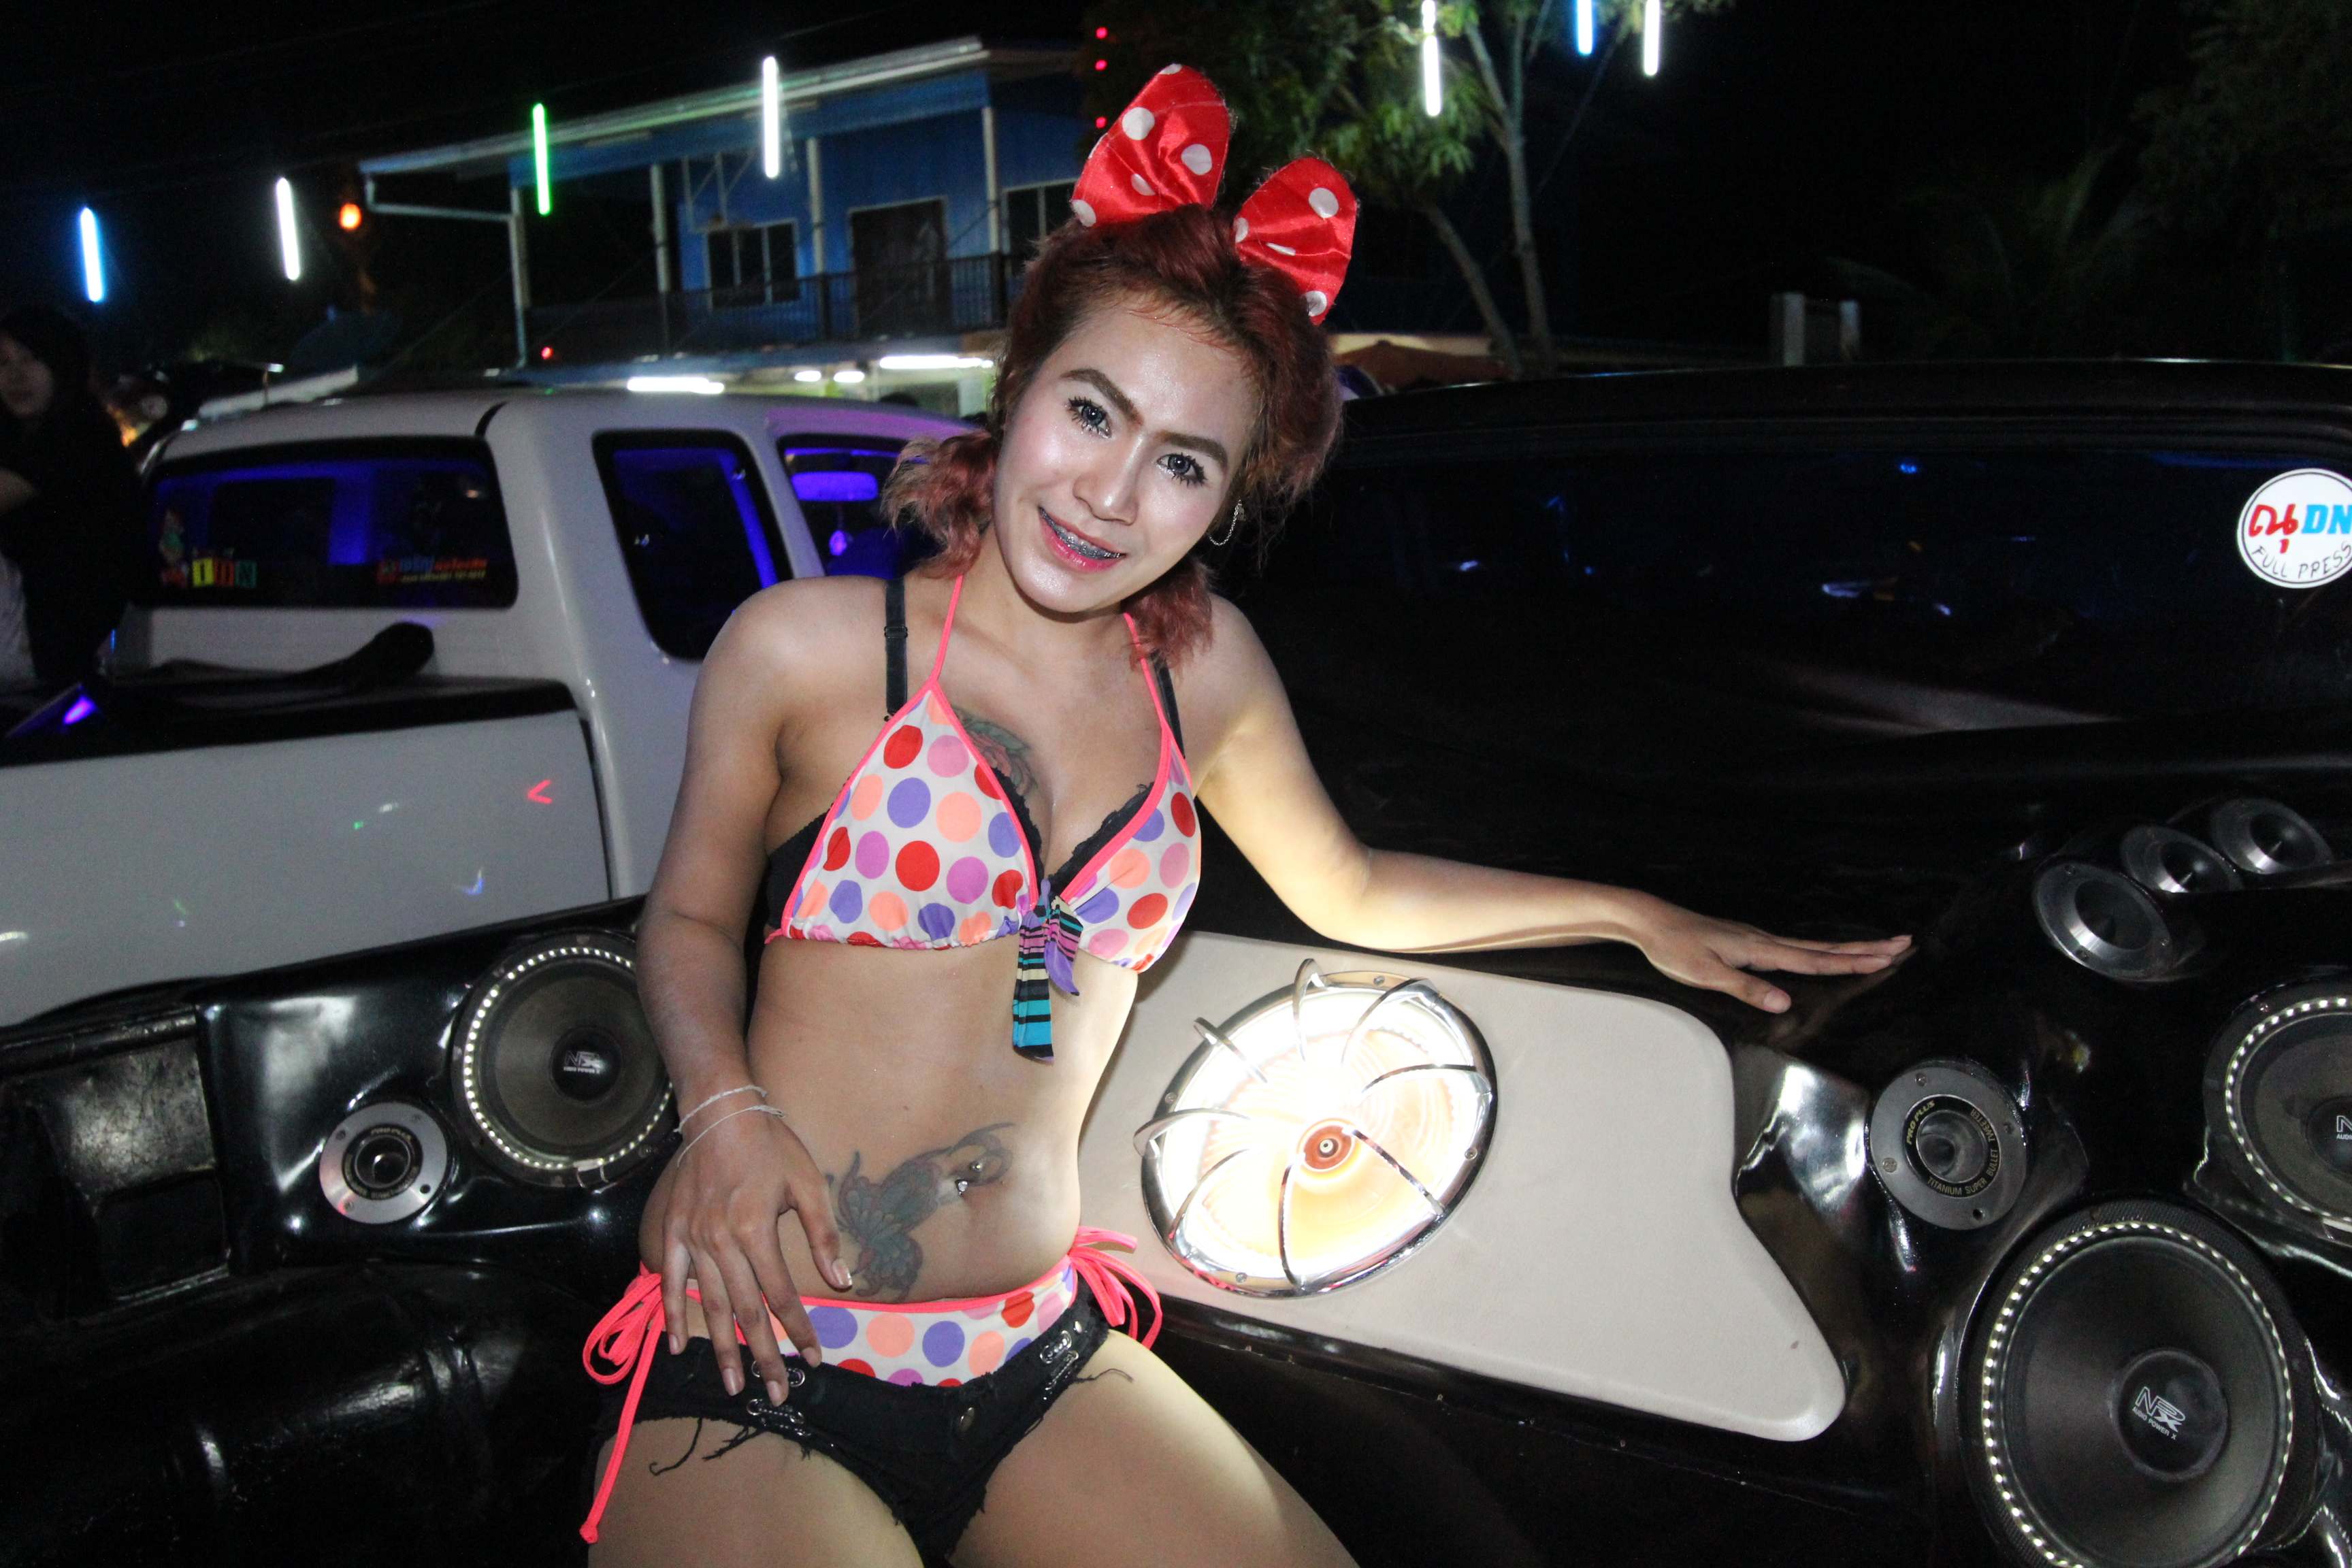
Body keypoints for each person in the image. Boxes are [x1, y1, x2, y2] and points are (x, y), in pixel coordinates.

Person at [581, 67, 1909, 1568]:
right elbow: (687, 916)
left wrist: (1629, 911)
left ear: (1229, 500)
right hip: (766, 1339)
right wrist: (725, 1117)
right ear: (1018, 389)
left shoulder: (1202, 678)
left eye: (1182, 463)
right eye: (1092, 411)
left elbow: (1353, 888)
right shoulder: (813, 647)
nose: (1110, 493)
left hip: (1029, 1346)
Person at [0, 305, 145, 689]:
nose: (16, 376)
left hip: (53, 644)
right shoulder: (24, 439)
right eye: (3, 363)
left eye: (31, 359)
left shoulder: (78, 436)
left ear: (61, 364)